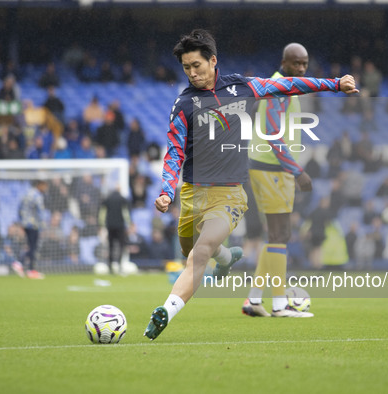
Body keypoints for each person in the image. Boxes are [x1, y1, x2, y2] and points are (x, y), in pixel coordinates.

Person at [144, 29, 358, 340]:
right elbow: (174, 152)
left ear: (213, 61)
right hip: (193, 194)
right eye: (186, 68)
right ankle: (227, 257)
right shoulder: (184, 105)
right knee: (194, 249)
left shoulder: (241, 87)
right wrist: (166, 191)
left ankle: (165, 311)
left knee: (199, 253)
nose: (192, 73)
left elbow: (288, 85)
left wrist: (335, 84)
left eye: (197, 66)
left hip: (230, 193)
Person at [242, 43, 315, 318]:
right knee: (280, 234)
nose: (301, 68)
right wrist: (297, 170)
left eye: (305, 64)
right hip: (272, 168)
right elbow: (273, 133)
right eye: (296, 63)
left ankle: (254, 299)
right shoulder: (277, 88)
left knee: (276, 236)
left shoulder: (284, 86)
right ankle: (280, 305)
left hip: (269, 167)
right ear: (283, 61)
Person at [13, 179, 48, 279]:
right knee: (33, 247)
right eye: (44, 186)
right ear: (40, 185)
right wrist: (43, 224)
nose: (45, 188)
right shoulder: (37, 196)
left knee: (31, 246)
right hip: (34, 224)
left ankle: (30, 269)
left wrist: (21, 221)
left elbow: (20, 208)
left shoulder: (27, 193)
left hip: (25, 224)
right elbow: (41, 211)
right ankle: (22, 263)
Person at [99, 187, 131, 274]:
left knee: (111, 246)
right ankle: (119, 264)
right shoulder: (122, 199)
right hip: (120, 226)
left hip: (110, 226)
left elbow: (102, 212)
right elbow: (126, 212)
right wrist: (128, 223)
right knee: (121, 246)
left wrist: (101, 223)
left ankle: (110, 265)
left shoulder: (107, 199)